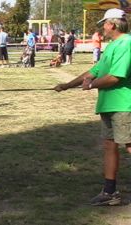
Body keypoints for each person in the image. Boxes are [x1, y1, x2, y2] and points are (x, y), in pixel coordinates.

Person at [54, 8, 131, 206]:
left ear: (112, 24)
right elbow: (93, 71)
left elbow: (116, 76)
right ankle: (110, 192)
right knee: (109, 146)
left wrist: (91, 85)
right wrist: (67, 85)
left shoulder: (126, 43)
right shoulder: (113, 45)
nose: (102, 28)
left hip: (124, 105)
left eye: (104, 24)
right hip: (109, 105)